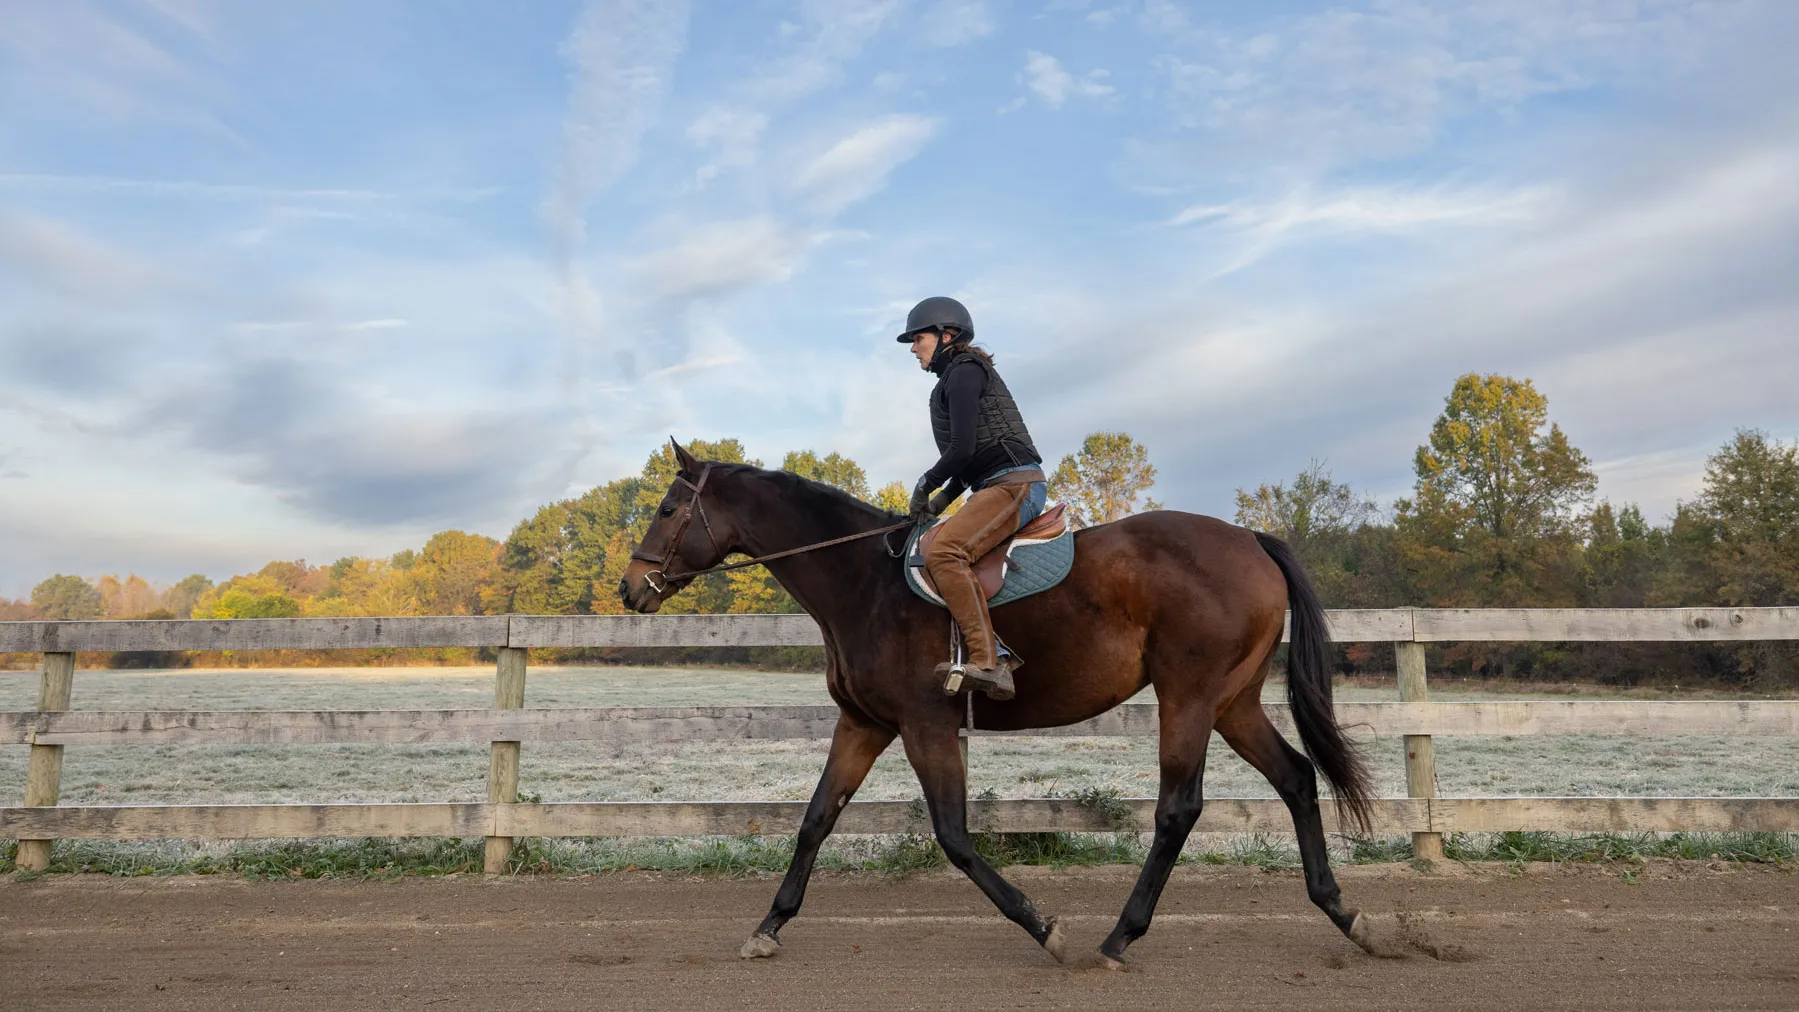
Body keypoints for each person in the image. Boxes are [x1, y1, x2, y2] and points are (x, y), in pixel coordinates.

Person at [899, 296, 1048, 700]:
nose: (914, 348)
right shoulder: (947, 384)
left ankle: (989, 662)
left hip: (1014, 485)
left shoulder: (965, 372)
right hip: (991, 486)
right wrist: (940, 500)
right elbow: (966, 465)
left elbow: (961, 449)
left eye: (918, 338)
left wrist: (927, 483)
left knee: (944, 552)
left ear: (947, 335)